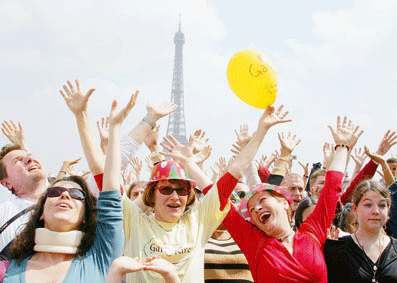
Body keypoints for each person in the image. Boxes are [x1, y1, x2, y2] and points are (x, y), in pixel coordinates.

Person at [3, 91, 135, 282]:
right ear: (39, 212)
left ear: (85, 217)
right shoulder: (8, 268)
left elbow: (110, 190)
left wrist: (93, 122)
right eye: (55, 192)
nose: (65, 196)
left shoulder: (101, 256)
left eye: (76, 194)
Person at [222, 116, 362, 283]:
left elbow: (332, 188)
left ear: (283, 203)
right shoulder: (255, 243)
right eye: (251, 210)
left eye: (262, 200)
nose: (257, 209)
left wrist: (342, 148)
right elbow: (218, 199)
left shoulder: (312, 232)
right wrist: (260, 132)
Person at [324, 180, 397, 282]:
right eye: (368, 205)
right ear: (355, 208)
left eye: (381, 205)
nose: (375, 211)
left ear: (388, 210)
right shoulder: (337, 250)